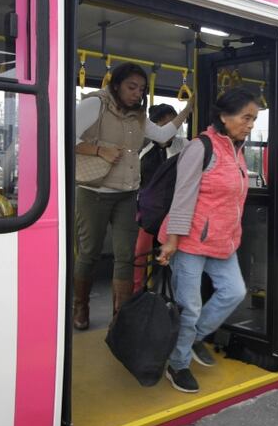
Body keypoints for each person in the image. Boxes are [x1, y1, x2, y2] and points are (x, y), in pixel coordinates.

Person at [73, 62, 193, 330]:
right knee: (89, 253)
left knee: (125, 256)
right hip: (93, 192)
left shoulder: (138, 116)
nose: (137, 93)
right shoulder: (95, 105)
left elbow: (162, 135)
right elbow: (62, 134)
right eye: (131, 87)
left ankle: (120, 316)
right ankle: (80, 306)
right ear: (116, 85)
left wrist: (187, 110)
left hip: (127, 194)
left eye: (141, 89)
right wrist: (98, 150)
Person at [155, 88, 257, 393]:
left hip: (222, 240)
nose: (250, 124)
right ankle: (178, 364)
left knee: (234, 292)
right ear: (225, 117)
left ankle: (193, 337)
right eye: (246, 118)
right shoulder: (201, 147)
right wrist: (172, 240)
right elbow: (183, 196)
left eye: (254, 119)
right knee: (190, 306)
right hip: (188, 239)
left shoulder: (237, 149)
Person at [132, 103, 187, 292]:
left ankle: (174, 293)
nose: (173, 128)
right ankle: (136, 293)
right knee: (140, 252)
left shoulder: (185, 146)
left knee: (175, 256)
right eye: (167, 124)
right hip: (149, 212)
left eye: (175, 122)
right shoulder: (143, 151)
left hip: (174, 211)